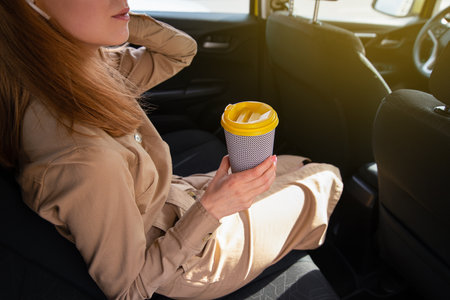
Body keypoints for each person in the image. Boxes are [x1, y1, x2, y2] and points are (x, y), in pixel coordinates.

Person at [0, 1, 343, 299]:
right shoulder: (84, 159)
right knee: (326, 177)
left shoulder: (83, 71)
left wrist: (121, 20)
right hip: (194, 259)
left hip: (179, 198)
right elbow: (129, 290)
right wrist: (214, 207)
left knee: (293, 163)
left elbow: (181, 50)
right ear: (33, 4)